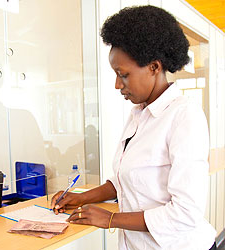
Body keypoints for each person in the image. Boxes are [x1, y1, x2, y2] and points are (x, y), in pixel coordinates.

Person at [51, 5, 216, 250]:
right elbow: (126, 180)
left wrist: (110, 219)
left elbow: (186, 212)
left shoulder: (184, 116)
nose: (118, 84)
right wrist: (81, 197)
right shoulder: (138, 114)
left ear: (154, 67)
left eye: (123, 74)